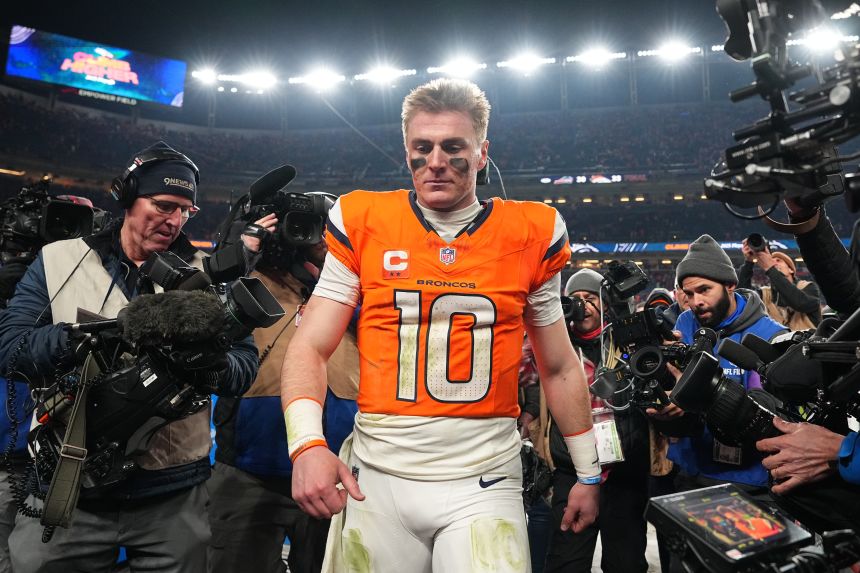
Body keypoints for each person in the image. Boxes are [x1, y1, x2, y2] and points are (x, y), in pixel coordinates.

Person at [281, 78, 600, 572]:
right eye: (422, 147)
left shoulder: (531, 231)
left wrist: (587, 473)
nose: (435, 161)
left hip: (484, 480)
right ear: (406, 150)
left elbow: (559, 366)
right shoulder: (364, 218)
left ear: (481, 152)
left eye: (453, 147)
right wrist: (306, 446)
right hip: (378, 479)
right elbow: (309, 348)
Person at [0, 141, 259, 573]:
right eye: (162, 204)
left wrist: (206, 362)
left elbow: (242, 368)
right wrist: (98, 337)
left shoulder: (208, 274)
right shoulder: (58, 259)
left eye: (185, 211)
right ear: (127, 197)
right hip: (68, 490)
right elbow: (11, 351)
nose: (173, 219)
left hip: (174, 497)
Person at [208, 225, 359, 573]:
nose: (322, 241)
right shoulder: (247, 280)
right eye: (314, 231)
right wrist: (241, 249)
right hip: (249, 472)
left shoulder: (357, 290)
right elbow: (208, 292)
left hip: (337, 471)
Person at [648, 234, 787, 490]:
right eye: (688, 293)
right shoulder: (685, 323)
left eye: (704, 290)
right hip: (689, 471)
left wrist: (695, 396)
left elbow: (773, 418)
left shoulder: (771, 335)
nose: (696, 302)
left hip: (748, 479)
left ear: (730, 284)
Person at [544, 269, 650, 573]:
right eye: (575, 300)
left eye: (590, 299)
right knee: (566, 562)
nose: (582, 306)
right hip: (571, 470)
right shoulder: (556, 348)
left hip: (624, 471)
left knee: (626, 563)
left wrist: (622, 308)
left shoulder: (626, 342)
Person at [738, 241, 821, 328]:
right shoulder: (765, 293)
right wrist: (749, 262)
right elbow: (743, 298)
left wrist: (770, 268)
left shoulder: (808, 287)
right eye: (772, 262)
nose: (774, 264)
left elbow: (800, 303)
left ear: (791, 270)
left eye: (778, 261)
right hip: (774, 341)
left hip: (808, 340)